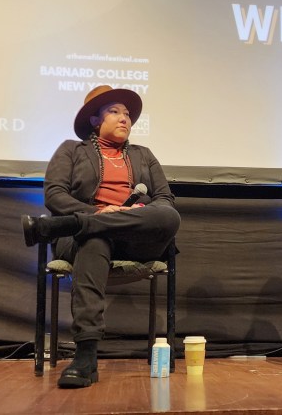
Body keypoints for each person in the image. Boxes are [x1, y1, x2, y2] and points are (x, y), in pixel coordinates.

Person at [22, 85, 180, 389]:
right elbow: (54, 195)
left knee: (169, 217)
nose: (125, 118)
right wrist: (96, 214)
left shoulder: (143, 155)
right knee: (93, 240)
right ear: (95, 120)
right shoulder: (71, 149)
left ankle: (58, 227)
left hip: (134, 239)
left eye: (128, 114)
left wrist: (117, 215)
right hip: (84, 239)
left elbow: (164, 200)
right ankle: (86, 355)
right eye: (115, 111)